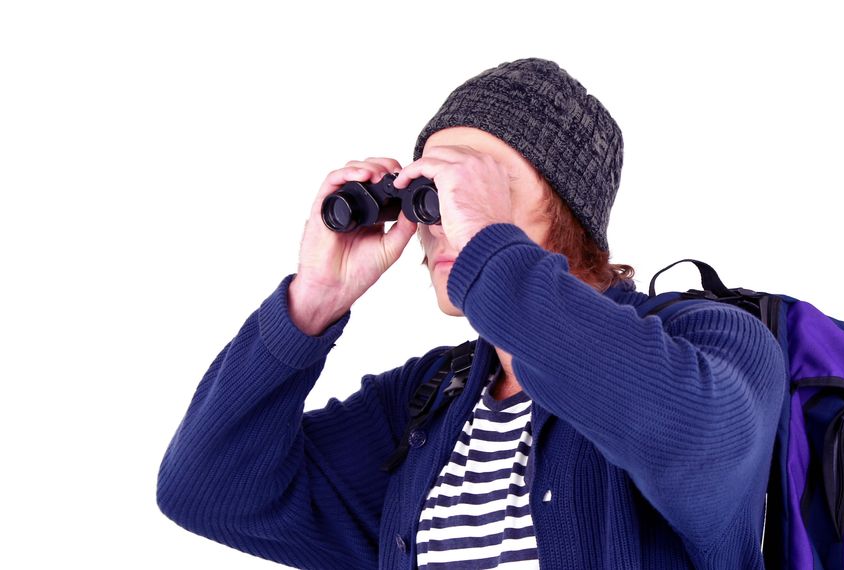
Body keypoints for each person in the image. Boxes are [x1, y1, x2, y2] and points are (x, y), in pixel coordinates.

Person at [157, 58, 787, 569]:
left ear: (566, 211)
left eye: (474, 188)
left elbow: (696, 440)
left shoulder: (710, 339)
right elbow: (210, 491)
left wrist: (489, 248)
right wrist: (312, 301)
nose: (445, 221)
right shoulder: (431, 400)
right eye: (429, 196)